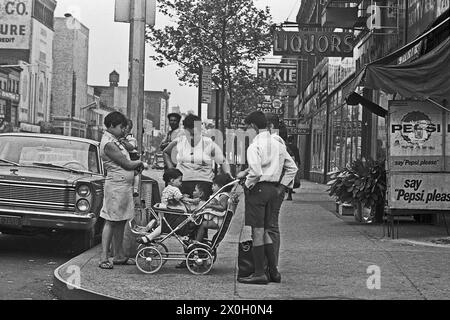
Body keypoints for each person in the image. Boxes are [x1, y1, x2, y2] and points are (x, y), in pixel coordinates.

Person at [237, 111, 297, 285]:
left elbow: (255, 171)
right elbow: (292, 168)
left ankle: (258, 273)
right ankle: (274, 271)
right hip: (273, 190)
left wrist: (247, 185)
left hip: (258, 190)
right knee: (266, 231)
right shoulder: (277, 143)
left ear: (254, 126)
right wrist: (281, 187)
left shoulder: (254, 146)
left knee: (257, 231)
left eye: (248, 127)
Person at [98, 112, 147, 270]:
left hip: (123, 186)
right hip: (115, 186)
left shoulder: (116, 141)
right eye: (120, 127)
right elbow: (126, 163)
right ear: (111, 126)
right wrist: (140, 163)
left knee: (120, 221)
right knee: (111, 220)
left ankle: (119, 255)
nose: (122, 130)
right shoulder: (108, 143)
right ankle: (104, 257)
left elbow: (130, 150)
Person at [162, 114, 232, 200]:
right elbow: (166, 152)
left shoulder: (208, 143)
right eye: (189, 134)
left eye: (194, 134)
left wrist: (228, 174)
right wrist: (171, 169)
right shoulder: (180, 141)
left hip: (204, 184)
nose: (191, 138)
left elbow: (223, 161)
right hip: (182, 183)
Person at [136, 168, 201, 245]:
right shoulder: (174, 189)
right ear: (172, 180)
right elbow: (181, 198)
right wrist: (193, 200)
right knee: (164, 226)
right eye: (180, 180)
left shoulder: (168, 188)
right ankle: (149, 237)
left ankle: (148, 235)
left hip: (164, 210)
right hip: (169, 211)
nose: (181, 183)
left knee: (162, 225)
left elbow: (177, 198)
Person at [194, 174, 234, 243]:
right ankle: (199, 239)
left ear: (221, 187)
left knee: (203, 224)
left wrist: (210, 206)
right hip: (215, 218)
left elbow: (222, 207)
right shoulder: (219, 195)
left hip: (218, 221)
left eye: (214, 185)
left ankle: (197, 241)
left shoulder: (223, 196)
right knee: (200, 222)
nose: (212, 186)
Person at [119, 120, 140, 197]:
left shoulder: (131, 138)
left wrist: (123, 142)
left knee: (135, 173)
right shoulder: (119, 137)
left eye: (125, 127)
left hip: (132, 156)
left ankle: (135, 189)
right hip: (125, 158)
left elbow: (131, 147)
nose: (123, 129)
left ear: (129, 129)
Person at [285, 135, 301, 201]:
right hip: (293, 164)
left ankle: (286, 191)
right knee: (291, 179)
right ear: (293, 140)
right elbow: (297, 157)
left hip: (285, 164)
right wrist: (298, 164)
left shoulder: (285, 147)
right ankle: (289, 193)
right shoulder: (295, 147)